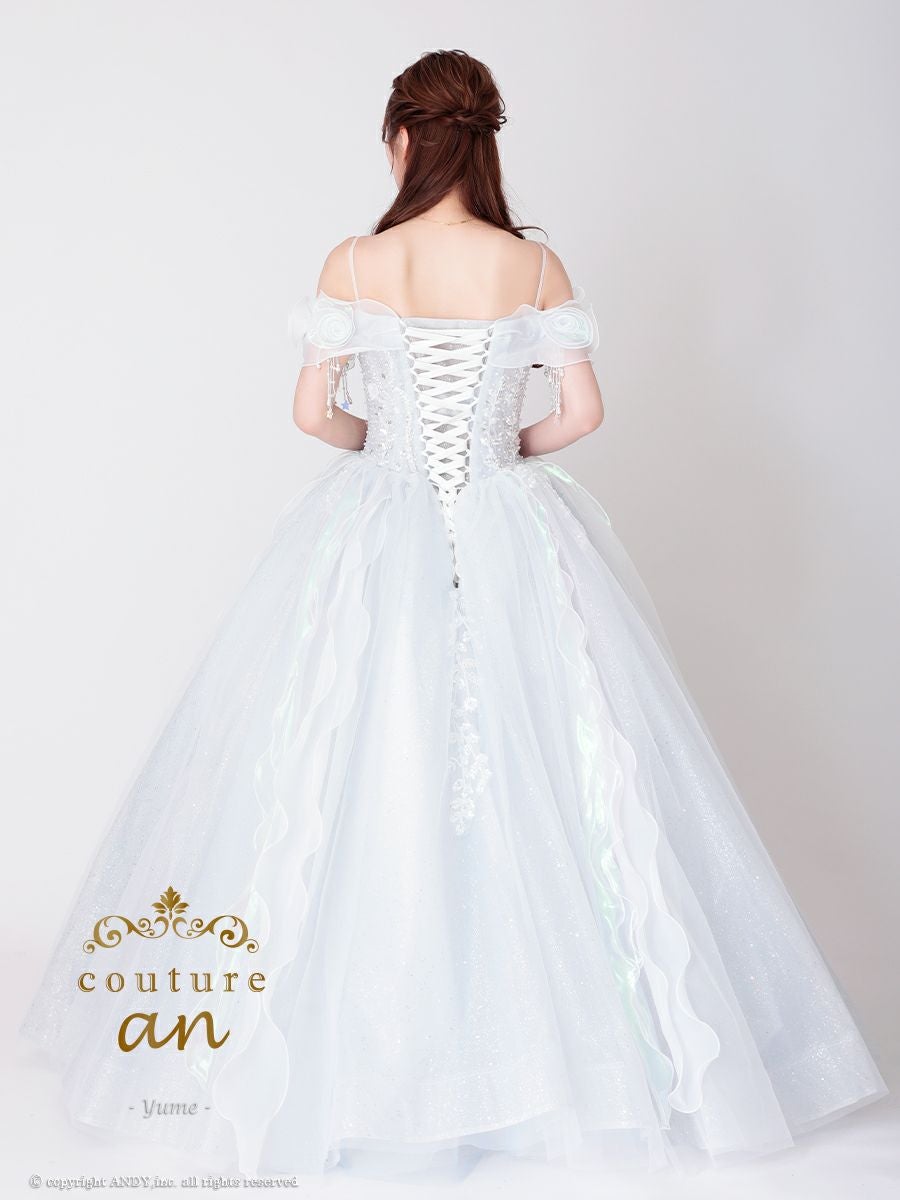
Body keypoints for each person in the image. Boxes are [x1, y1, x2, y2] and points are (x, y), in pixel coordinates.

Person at [20, 47, 888, 1182]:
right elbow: (582, 412)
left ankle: (357, 1069)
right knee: (560, 767)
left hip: (373, 522)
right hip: (510, 522)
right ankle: (563, 1064)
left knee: (345, 761)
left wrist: (385, 448)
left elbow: (312, 414)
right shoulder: (532, 265)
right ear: (484, 143)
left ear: (400, 138)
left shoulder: (356, 259)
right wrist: (495, 454)